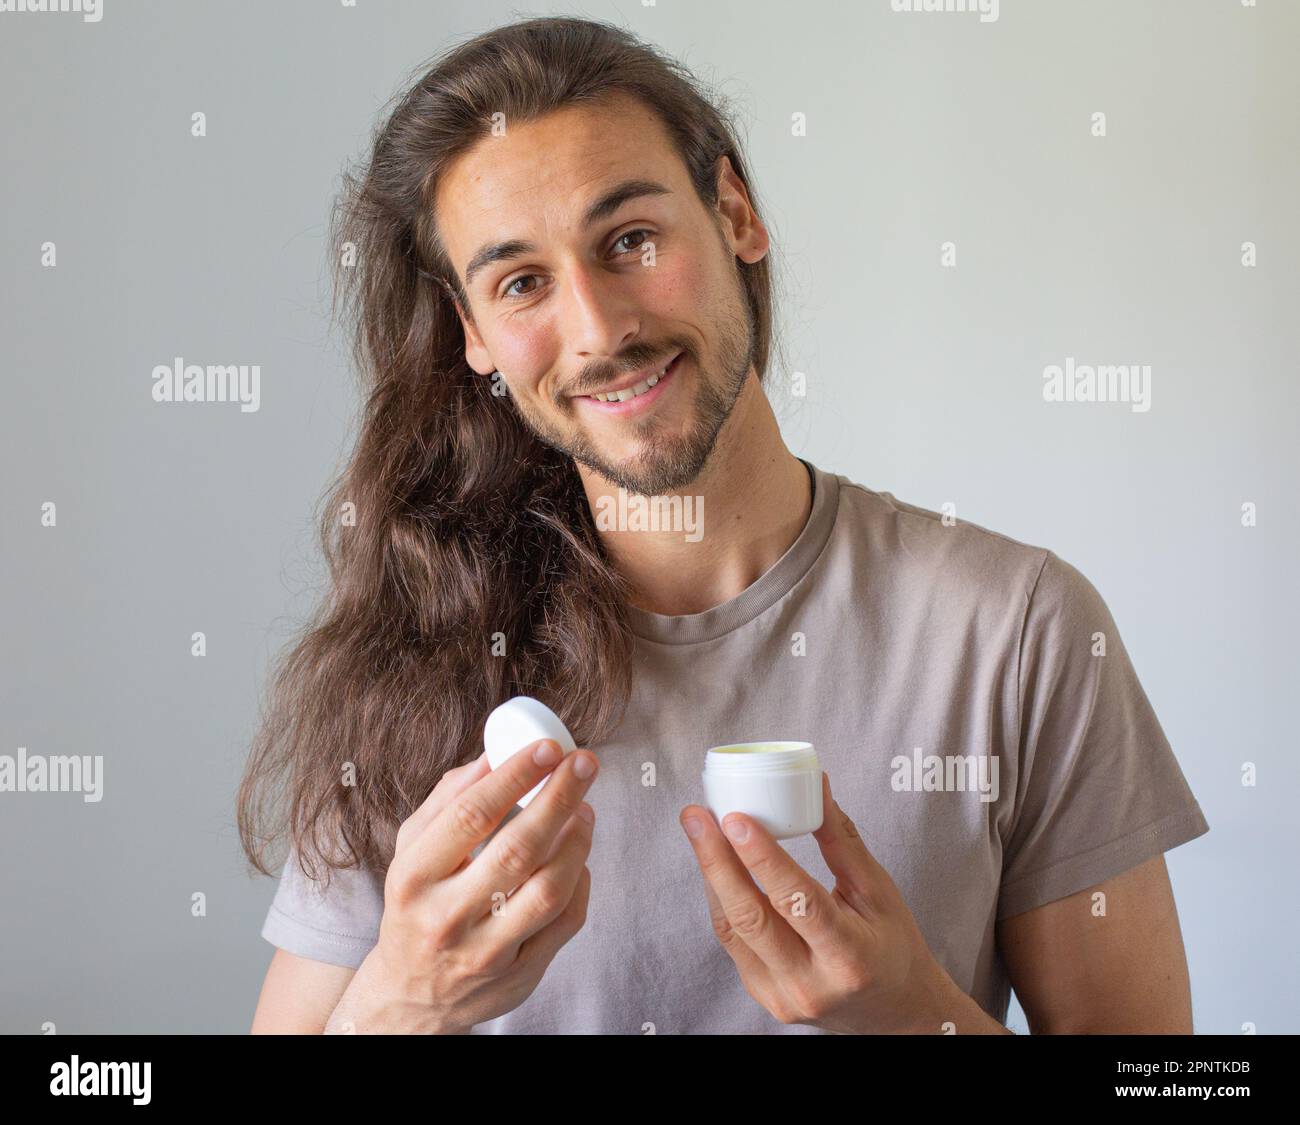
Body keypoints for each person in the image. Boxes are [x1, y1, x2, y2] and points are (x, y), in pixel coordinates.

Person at [242, 15, 1209, 1035]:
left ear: (735, 214)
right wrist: (404, 1001)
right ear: (472, 334)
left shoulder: (1013, 630)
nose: (599, 330)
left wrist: (921, 1019)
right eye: (521, 282)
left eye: (630, 241)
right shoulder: (412, 656)